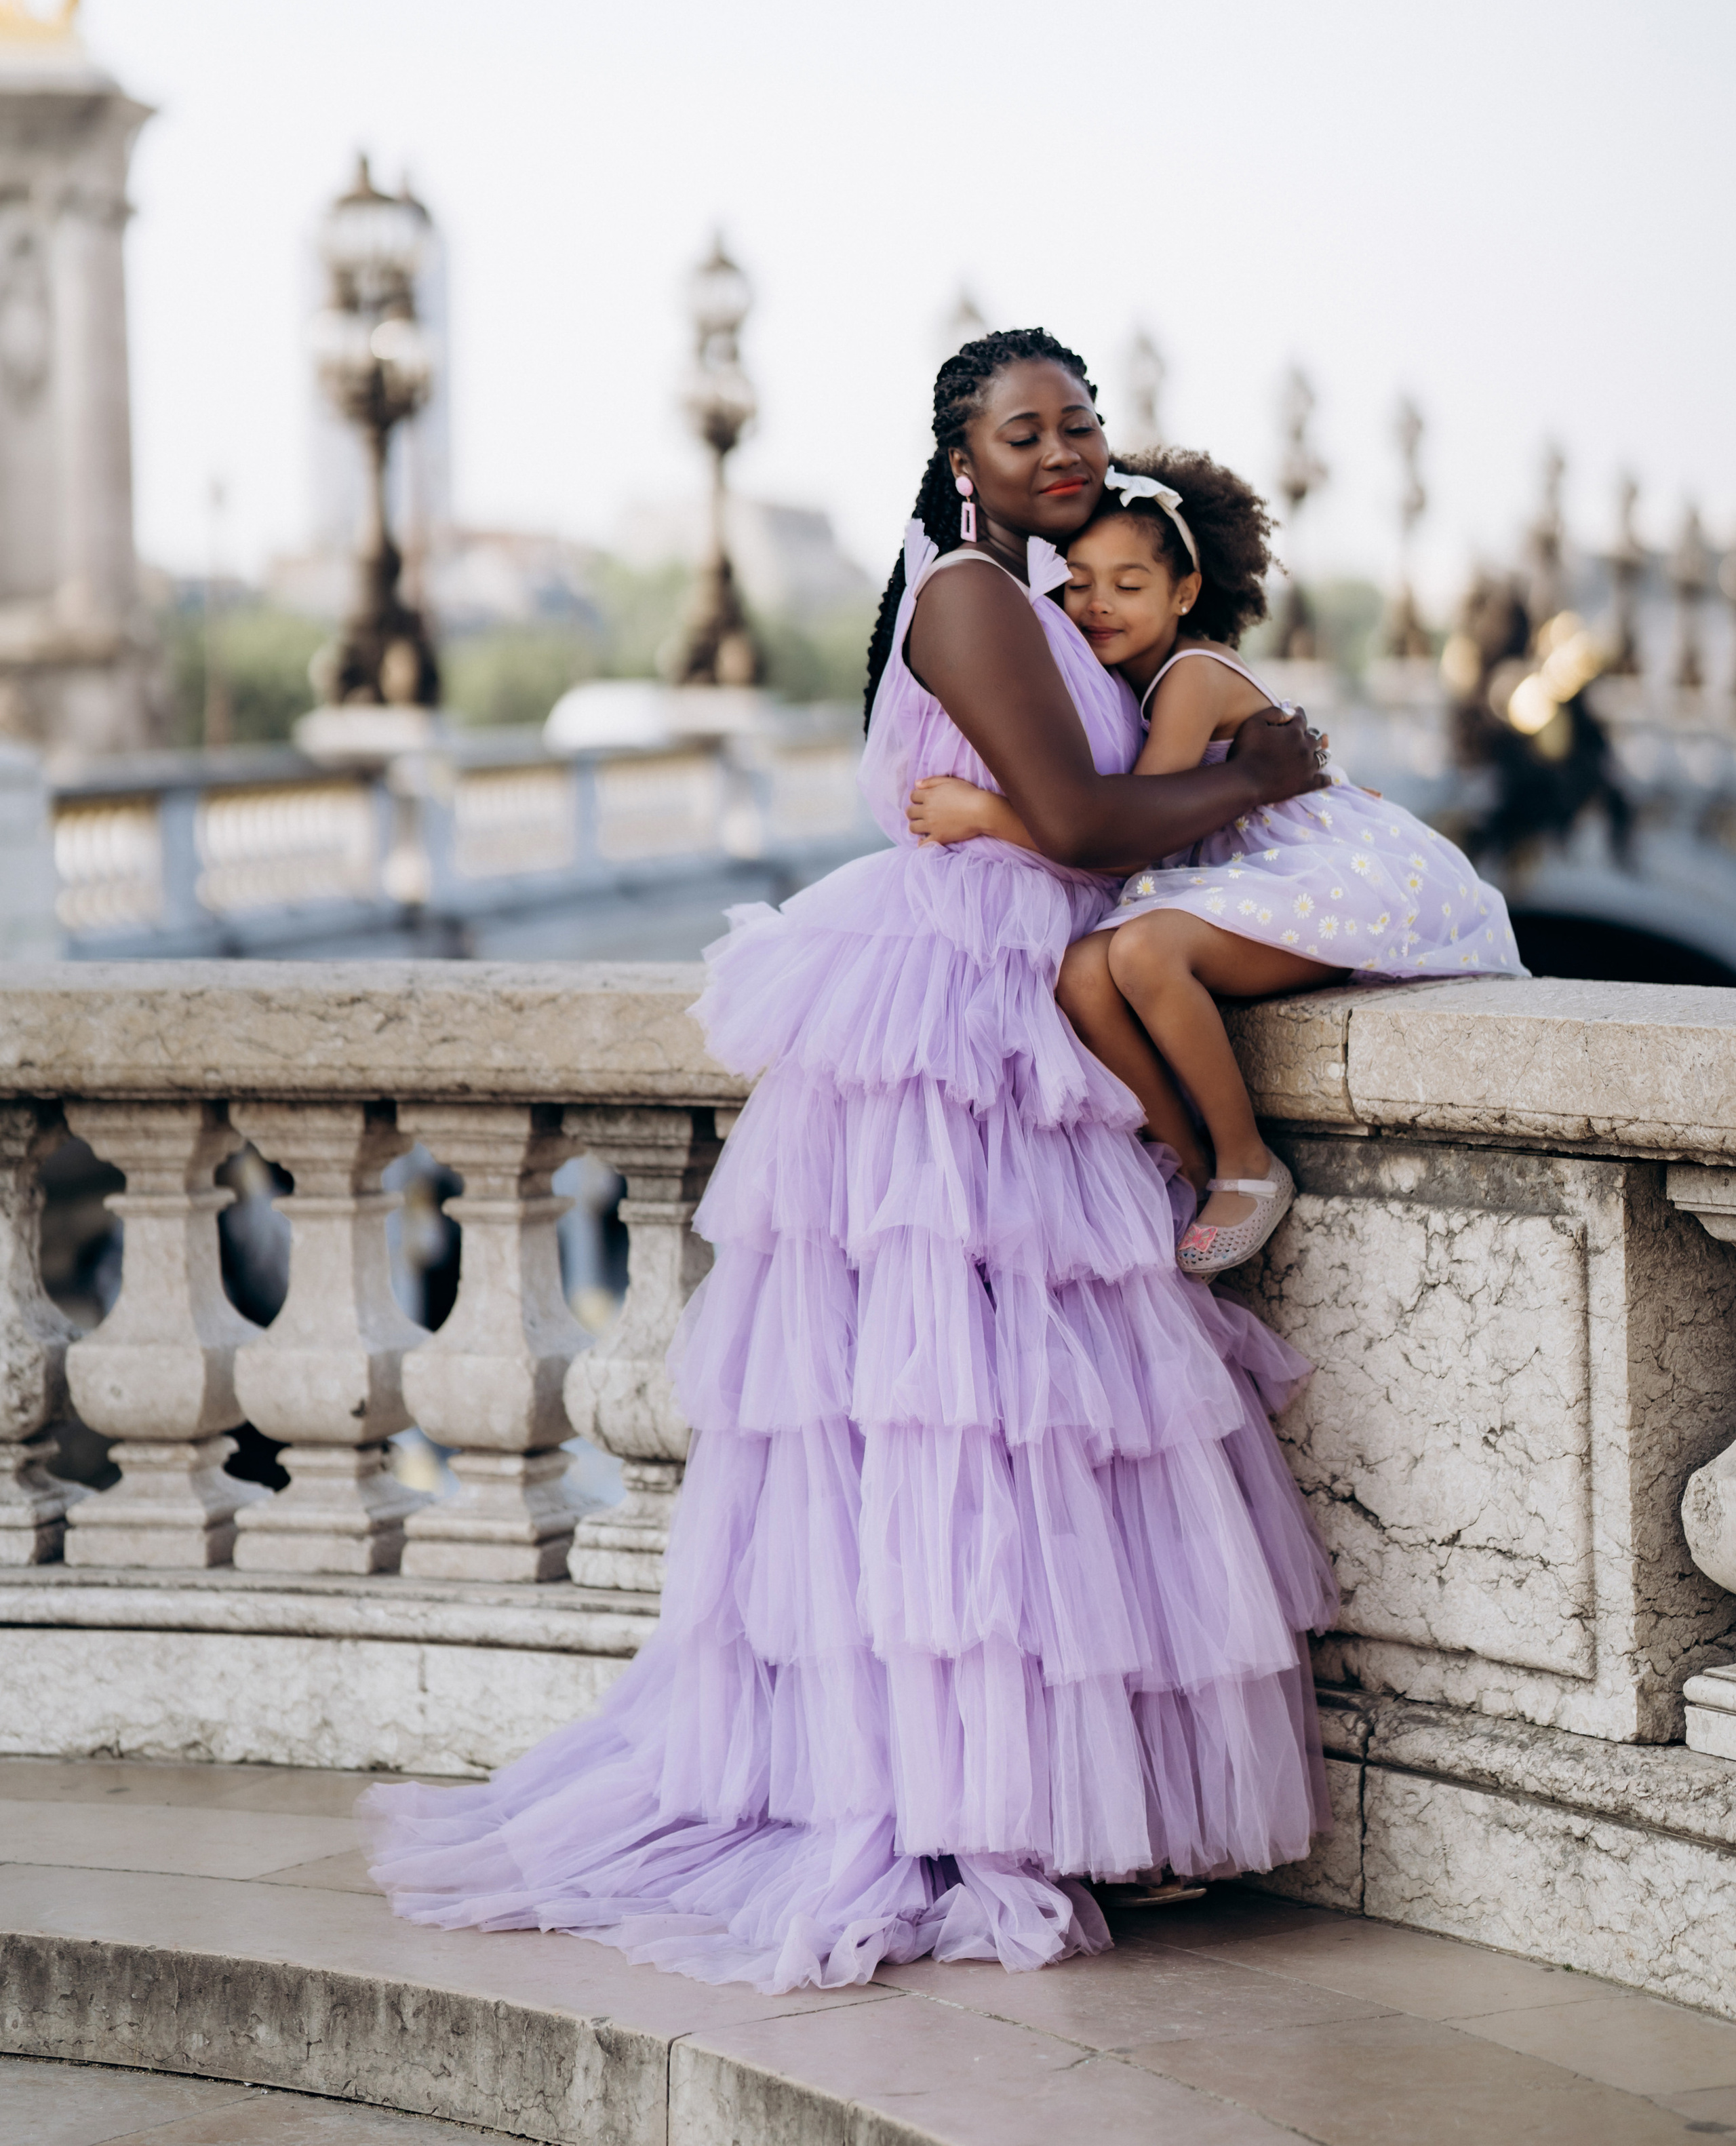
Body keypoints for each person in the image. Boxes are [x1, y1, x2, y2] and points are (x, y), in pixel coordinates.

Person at [357, 332, 1340, 1995]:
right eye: (1025, 428)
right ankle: (941, 1801)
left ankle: (1019, 1793)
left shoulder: (1053, 595)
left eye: (1082, 419)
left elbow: (1074, 810)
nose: (1064, 448)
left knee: (1019, 1422)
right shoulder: (967, 589)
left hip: (1020, 992)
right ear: (962, 455)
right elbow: (1092, 822)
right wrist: (1258, 772)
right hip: (954, 1011)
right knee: (953, 1416)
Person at [908, 450, 1524, 1276]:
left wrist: (983, 813)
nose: (1096, 606)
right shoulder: (1128, 682)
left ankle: (1245, 1161)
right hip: (1251, 880)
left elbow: (1133, 834)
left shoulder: (1190, 673)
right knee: (1081, 975)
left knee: (1139, 950)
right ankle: (1189, 1167)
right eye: (1079, 583)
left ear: (1184, 594)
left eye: (1128, 587)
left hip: (1322, 877)